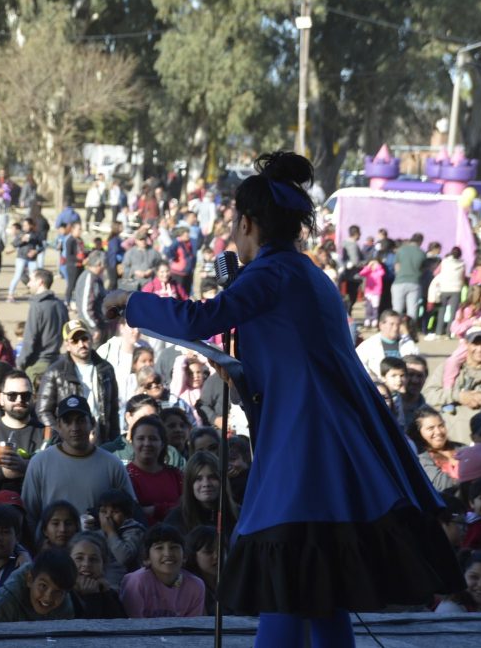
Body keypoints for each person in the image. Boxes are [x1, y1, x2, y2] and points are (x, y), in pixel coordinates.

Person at [102, 151, 459, 646]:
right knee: (322, 590)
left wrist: (132, 303)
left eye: (235, 223)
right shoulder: (309, 274)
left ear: (248, 223)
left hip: (303, 444)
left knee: (287, 582)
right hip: (327, 440)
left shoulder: (271, 274)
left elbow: (199, 319)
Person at [20, 395, 132, 527]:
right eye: (68, 422)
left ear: (92, 423)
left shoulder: (112, 464)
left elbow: (129, 511)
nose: (75, 428)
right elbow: (29, 515)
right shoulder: (39, 463)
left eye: (80, 421)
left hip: (99, 545)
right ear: (59, 426)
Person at [35, 320, 118, 444]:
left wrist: (114, 440)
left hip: (102, 440)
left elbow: (113, 408)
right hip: (68, 442)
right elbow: (43, 411)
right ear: (67, 345)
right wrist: (62, 434)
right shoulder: (55, 372)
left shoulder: (106, 369)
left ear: (91, 338)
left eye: (84, 338)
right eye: (74, 340)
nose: (81, 344)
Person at [0, 370, 50, 494]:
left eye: (25, 395)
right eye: (12, 395)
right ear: (1, 398)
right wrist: (0, 473)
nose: (19, 400)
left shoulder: (49, 435)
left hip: (33, 509)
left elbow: (56, 478)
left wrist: (26, 467)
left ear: (33, 398)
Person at [119, 523, 205, 618]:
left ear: (184, 556)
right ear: (147, 557)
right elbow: (134, 626)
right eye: (159, 548)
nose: (168, 553)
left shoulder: (195, 585)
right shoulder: (137, 582)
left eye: (174, 547)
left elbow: (191, 628)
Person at [0, 548, 77, 622]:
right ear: (30, 579)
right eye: (43, 586)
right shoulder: (3, 604)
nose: (48, 597)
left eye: (57, 591)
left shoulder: (65, 607)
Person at [125, 415, 182, 522]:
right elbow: (129, 513)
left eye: (153, 439)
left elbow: (186, 508)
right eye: (141, 438)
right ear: (132, 442)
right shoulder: (124, 476)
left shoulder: (175, 475)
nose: (147, 444)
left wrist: (154, 509)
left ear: (162, 443)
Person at [16, 270, 68, 386]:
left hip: (37, 365)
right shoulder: (60, 304)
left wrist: (20, 363)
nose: (28, 284)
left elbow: (30, 338)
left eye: (31, 280)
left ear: (40, 282)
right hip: (56, 361)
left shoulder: (37, 306)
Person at [68, 532, 127, 618]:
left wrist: (106, 594)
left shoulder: (108, 591)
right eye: (79, 558)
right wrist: (92, 597)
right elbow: (83, 629)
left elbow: (119, 626)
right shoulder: (61, 593)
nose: (86, 564)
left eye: (93, 559)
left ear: (103, 564)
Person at [355, 310, 419, 379]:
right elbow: (358, 365)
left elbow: (416, 361)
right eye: (392, 324)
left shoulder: (406, 343)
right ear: (381, 325)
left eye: (398, 324)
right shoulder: (368, 345)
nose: (395, 328)